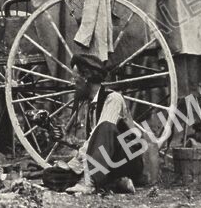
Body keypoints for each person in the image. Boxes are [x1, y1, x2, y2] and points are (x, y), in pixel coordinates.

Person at [60, 53, 143, 195]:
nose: (73, 83)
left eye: (75, 79)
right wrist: (66, 143)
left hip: (125, 160)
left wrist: (75, 166)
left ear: (86, 78)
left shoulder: (113, 98)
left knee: (105, 127)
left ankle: (91, 184)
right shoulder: (89, 105)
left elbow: (101, 135)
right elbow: (93, 145)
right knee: (51, 176)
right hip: (105, 162)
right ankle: (114, 183)